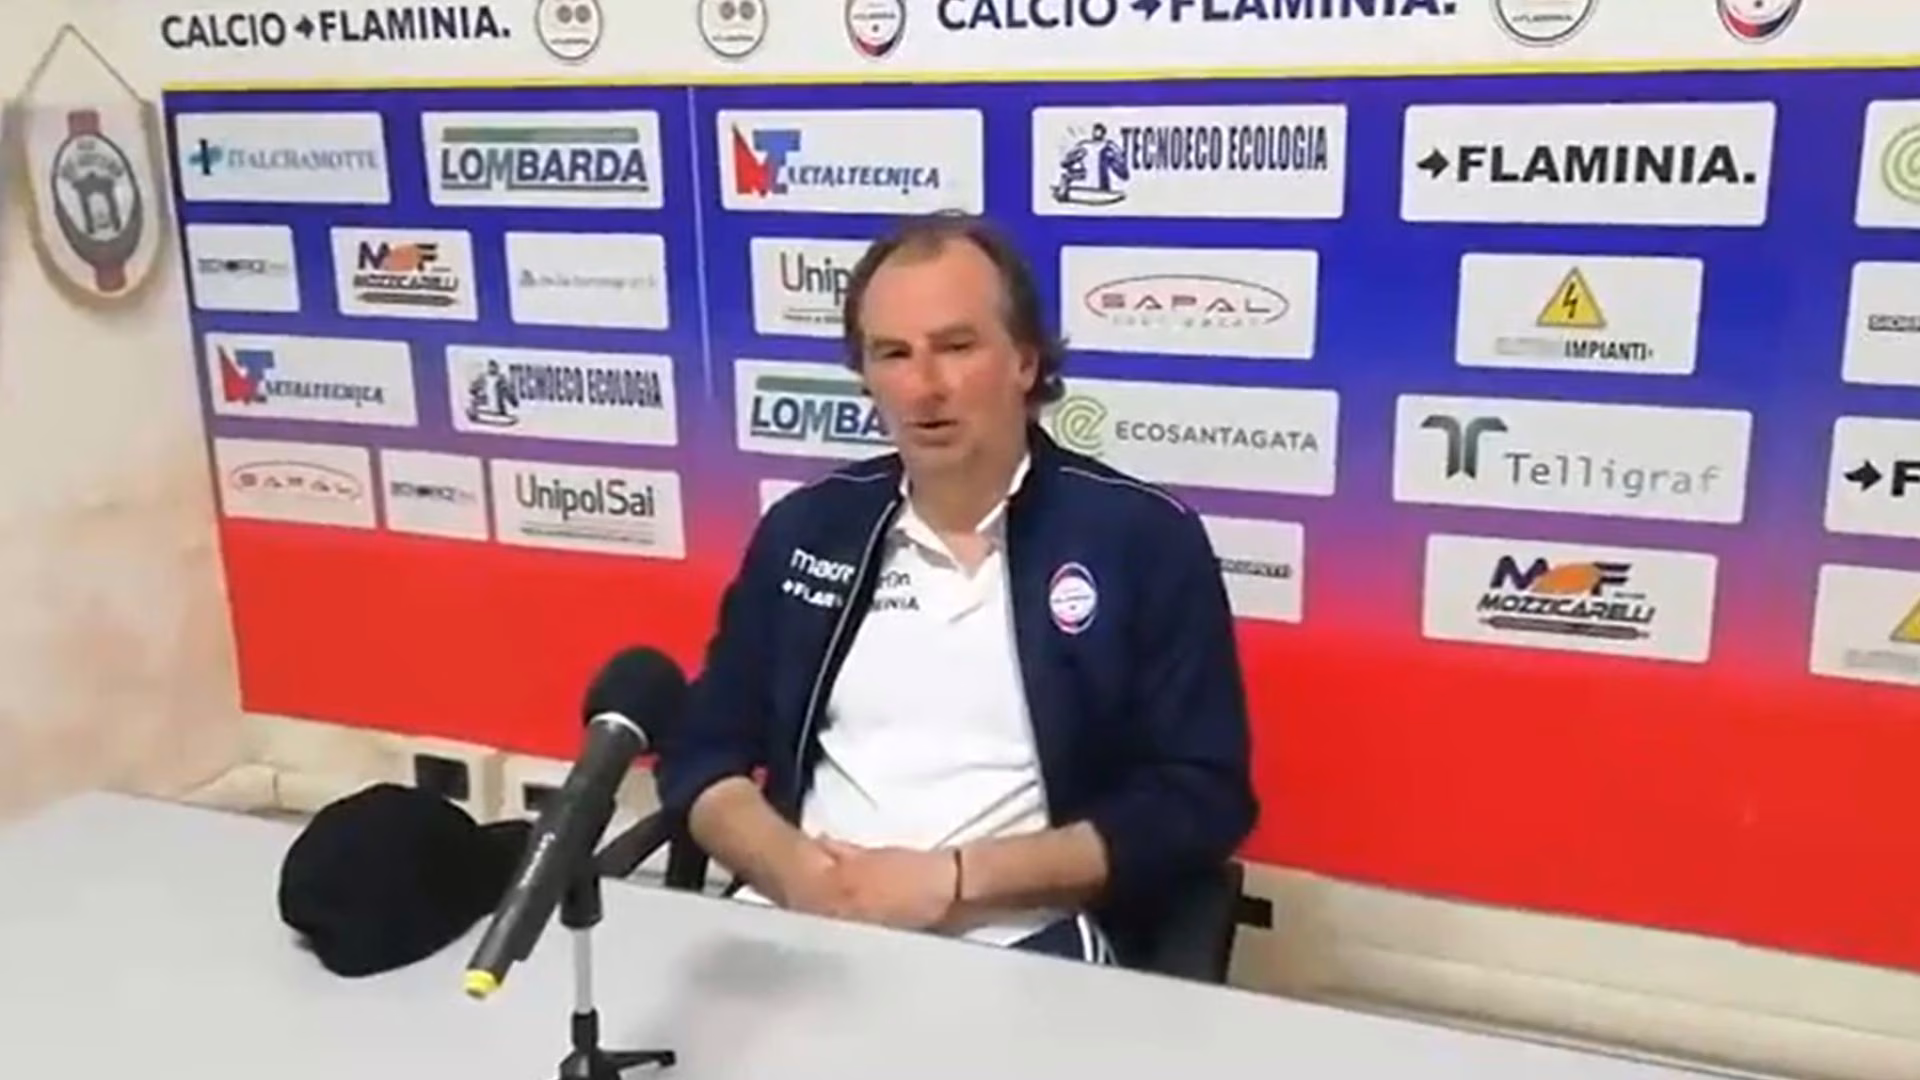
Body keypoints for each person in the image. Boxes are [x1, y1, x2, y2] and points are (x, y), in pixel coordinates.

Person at [654, 213, 1258, 964]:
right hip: (799, 924)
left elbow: (1200, 798)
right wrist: (798, 875)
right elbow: (702, 751)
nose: (924, 386)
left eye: (956, 347)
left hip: (1018, 941)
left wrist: (956, 879)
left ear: (1025, 361)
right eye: (893, 354)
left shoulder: (1141, 539)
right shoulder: (809, 529)